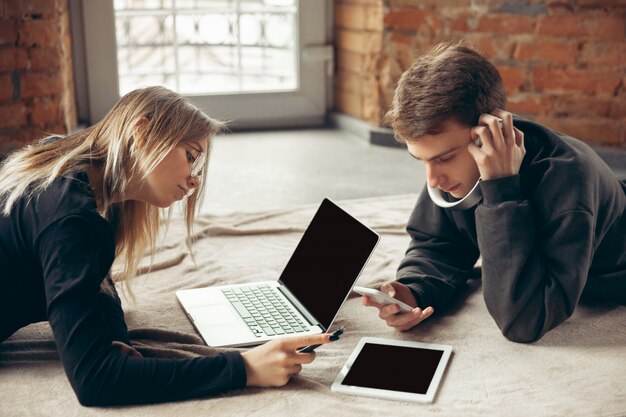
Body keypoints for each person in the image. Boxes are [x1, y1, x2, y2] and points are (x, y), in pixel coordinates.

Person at [0, 86, 333, 406]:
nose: (195, 179)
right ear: (142, 133)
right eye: (191, 156)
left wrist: (115, 338)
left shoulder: (67, 170)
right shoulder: (71, 221)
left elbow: (96, 283)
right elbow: (94, 379)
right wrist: (244, 368)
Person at [361, 41, 626, 343]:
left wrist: (501, 189)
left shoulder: (570, 180)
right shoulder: (456, 167)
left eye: (444, 158)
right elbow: (440, 243)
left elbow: (524, 320)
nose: (432, 180)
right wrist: (414, 289)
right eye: (423, 161)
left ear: (491, 130)